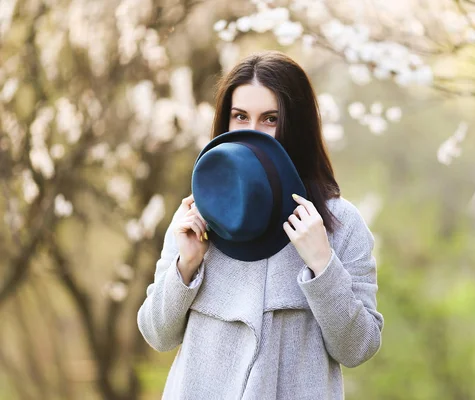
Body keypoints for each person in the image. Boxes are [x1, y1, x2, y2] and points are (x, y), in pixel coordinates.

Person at [137, 50, 384, 399]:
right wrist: (186, 265)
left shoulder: (341, 223)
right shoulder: (197, 215)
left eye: (270, 119)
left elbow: (358, 348)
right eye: (240, 116)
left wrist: (322, 265)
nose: (254, 133)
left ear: (297, 125)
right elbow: (156, 334)